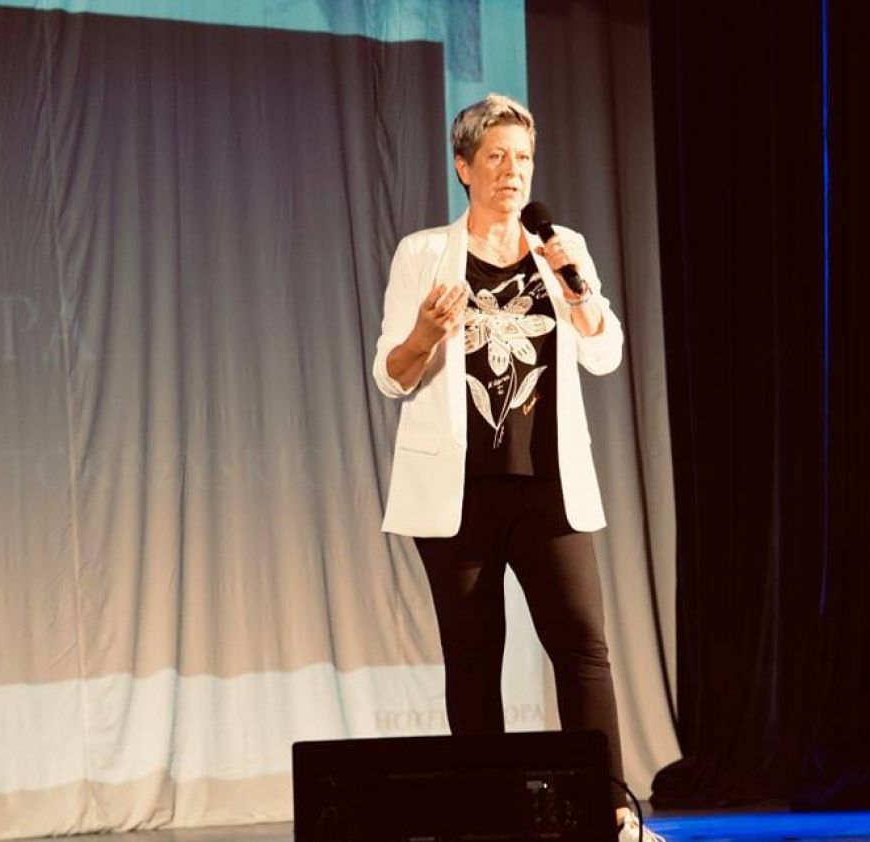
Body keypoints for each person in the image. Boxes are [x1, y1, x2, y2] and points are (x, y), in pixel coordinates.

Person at [372, 93, 661, 842]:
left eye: (523, 158)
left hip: (549, 486)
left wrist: (577, 288)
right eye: (496, 156)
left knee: (584, 647)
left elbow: (605, 352)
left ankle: (612, 815)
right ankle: (486, 822)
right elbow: (391, 376)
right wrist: (425, 333)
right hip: (458, 493)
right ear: (463, 166)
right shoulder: (423, 254)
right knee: (473, 660)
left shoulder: (561, 246)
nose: (512, 171)